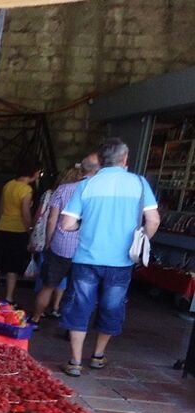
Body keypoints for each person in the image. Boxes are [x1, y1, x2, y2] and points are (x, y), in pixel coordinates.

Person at [58, 138, 160, 377]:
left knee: (80, 307)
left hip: (86, 258)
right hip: (121, 261)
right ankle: (98, 356)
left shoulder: (87, 185)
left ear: (101, 161)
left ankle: (74, 361)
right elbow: (153, 220)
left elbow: (67, 223)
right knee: (111, 307)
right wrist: (142, 238)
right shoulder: (139, 184)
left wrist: (82, 227)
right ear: (125, 159)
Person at [31, 154, 100, 324]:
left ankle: (35, 318)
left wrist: (49, 240)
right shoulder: (99, 192)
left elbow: (52, 219)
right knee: (80, 290)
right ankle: (73, 328)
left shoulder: (63, 189)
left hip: (60, 245)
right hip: (86, 248)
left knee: (48, 286)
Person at [0, 163, 43, 302]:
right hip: (18, 229)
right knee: (13, 265)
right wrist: (29, 229)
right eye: (39, 173)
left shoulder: (9, 184)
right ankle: (9, 297)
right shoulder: (26, 190)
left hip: (3, 227)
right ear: (34, 172)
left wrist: (4, 220)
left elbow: (1, 207)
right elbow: (25, 212)